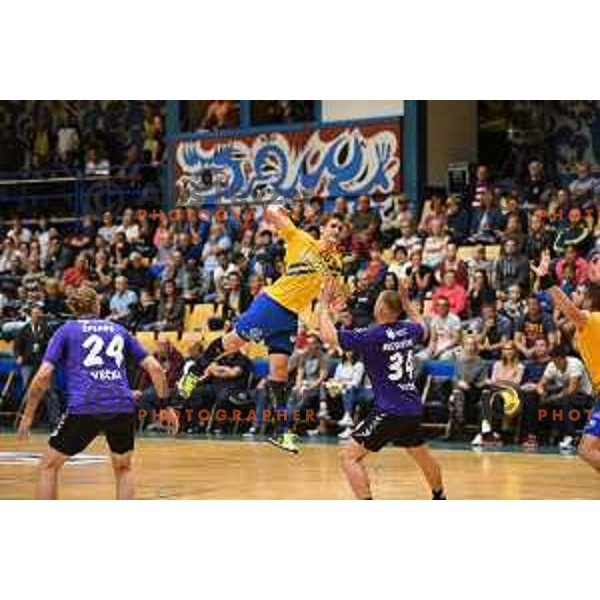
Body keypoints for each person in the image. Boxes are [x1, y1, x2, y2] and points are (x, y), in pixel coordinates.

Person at [16, 286, 171, 500]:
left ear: (74, 307)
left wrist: (28, 416)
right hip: (121, 406)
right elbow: (155, 369)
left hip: (84, 406)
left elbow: (42, 376)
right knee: (123, 468)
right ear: (97, 305)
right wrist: (164, 406)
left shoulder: (66, 330)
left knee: (49, 467)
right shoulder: (119, 330)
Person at [220, 206, 344, 453]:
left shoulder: (336, 264)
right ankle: (196, 369)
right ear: (322, 229)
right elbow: (273, 216)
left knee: (279, 373)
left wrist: (327, 317)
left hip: (290, 316)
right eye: (333, 226)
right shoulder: (301, 238)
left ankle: (281, 431)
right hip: (273, 304)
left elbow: (329, 298)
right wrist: (276, 207)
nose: (336, 231)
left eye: (341, 229)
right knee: (231, 343)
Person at [318, 280, 446, 500]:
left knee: (349, 458)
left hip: (390, 410)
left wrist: (322, 305)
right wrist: (406, 301)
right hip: (412, 407)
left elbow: (330, 337)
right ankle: (440, 496)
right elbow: (423, 326)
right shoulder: (408, 330)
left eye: (378, 301)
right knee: (422, 456)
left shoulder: (372, 335)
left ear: (381, 309)